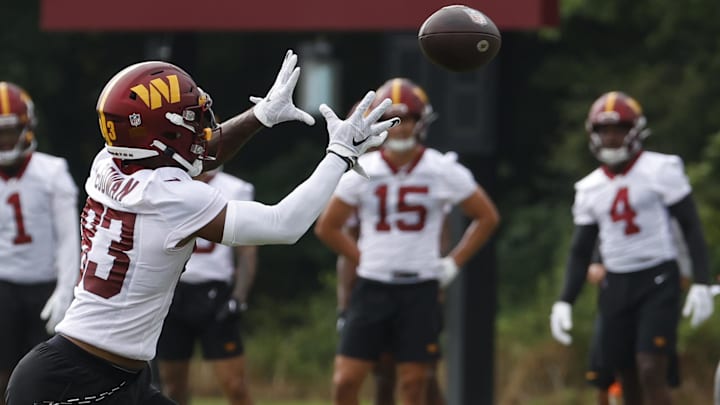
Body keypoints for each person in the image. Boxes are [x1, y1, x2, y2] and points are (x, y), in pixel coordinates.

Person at [5, 49, 400, 404]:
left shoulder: (108, 161)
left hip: (109, 374)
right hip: (74, 381)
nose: (202, 128)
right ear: (161, 132)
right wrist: (339, 155)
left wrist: (259, 117)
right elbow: (285, 224)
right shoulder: (172, 199)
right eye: (190, 119)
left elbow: (198, 154)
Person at [314, 77, 500, 405]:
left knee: (414, 385)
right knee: (345, 380)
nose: (400, 129)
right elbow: (327, 226)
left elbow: (486, 217)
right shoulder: (362, 169)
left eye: (408, 120)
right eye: (393, 122)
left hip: (420, 289)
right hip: (372, 286)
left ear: (421, 123)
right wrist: (364, 258)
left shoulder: (441, 168)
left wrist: (452, 264)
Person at [549, 91, 713, 405]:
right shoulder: (589, 188)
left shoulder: (661, 170)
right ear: (593, 134)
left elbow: (691, 227)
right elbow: (580, 250)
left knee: (651, 368)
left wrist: (701, 281)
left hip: (657, 279)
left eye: (619, 129)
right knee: (626, 377)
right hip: (616, 284)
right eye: (604, 130)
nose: (612, 137)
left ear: (635, 131)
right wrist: (564, 300)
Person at [0, 81, 80, 405]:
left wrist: (66, 289)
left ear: (27, 127)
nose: (4, 139)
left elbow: (68, 236)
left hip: (45, 288)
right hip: (2, 285)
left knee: (44, 379)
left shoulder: (52, 171)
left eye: (9, 130)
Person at [155, 167, 257, 405]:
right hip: (174, 291)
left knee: (235, 384)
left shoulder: (235, 188)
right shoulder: (166, 184)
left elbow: (247, 249)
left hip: (215, 292)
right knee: (171, 386)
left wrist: (239, 297)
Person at [335, 212, 447, 405]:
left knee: (424, 377)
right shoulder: (362, 189)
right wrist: (345, 306)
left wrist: (439, 273)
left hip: (417, 290)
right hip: (375, 291)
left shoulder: (430, 188)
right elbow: (345, 240)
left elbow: (442, 238)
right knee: (383, 376)